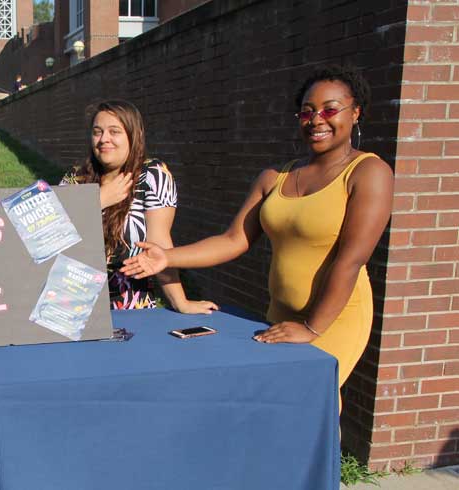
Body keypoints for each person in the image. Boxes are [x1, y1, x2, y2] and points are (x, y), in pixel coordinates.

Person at [125, 66, 393, 391]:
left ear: (356, 113)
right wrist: (167, 257)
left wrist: (311, 328)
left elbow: (350, 260)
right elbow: (233, 239)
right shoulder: (275, 177)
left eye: (330, 109)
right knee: (279, 401)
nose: (317, 120)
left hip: (334, 317)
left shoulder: (368, 172)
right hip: (280, 313)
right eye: (307, 112)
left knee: (311, 400)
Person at [63, 99, 217, 313]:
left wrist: (180, 302)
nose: (103, 139)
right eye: (97, 132)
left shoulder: (152, 175)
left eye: (114, 131)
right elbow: (50, 238)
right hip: (71, 304)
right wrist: (98, 201)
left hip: (131, 307)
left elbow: (159, 244)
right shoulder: (74, 178)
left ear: (133, 135)